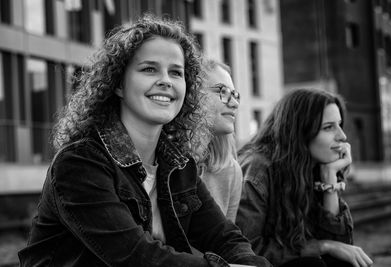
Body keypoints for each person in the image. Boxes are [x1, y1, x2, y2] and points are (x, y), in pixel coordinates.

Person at [18, 15, 271, 267]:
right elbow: (136, 257)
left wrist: (253, 264)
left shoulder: (179, 165)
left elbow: (224, 236)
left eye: (176, 72)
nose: (166, 81)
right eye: (149, 69)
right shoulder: (79, 163)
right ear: (118, 84)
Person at [236, 88, 373, 267]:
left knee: (343, 260)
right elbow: (246, 252)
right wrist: (322, 246)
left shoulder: (312, 166)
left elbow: (341, 246)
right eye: (328, 127)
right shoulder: (258, 169)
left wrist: (329, 178)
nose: (342, 136)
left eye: (339, 124)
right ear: (300, 132)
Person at [194, 58, 242, 222]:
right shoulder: (160, 159)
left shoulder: (230, 169)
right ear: (191, 94)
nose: (234, 103)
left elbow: (229, 242)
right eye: (223, 91)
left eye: (235, 94)